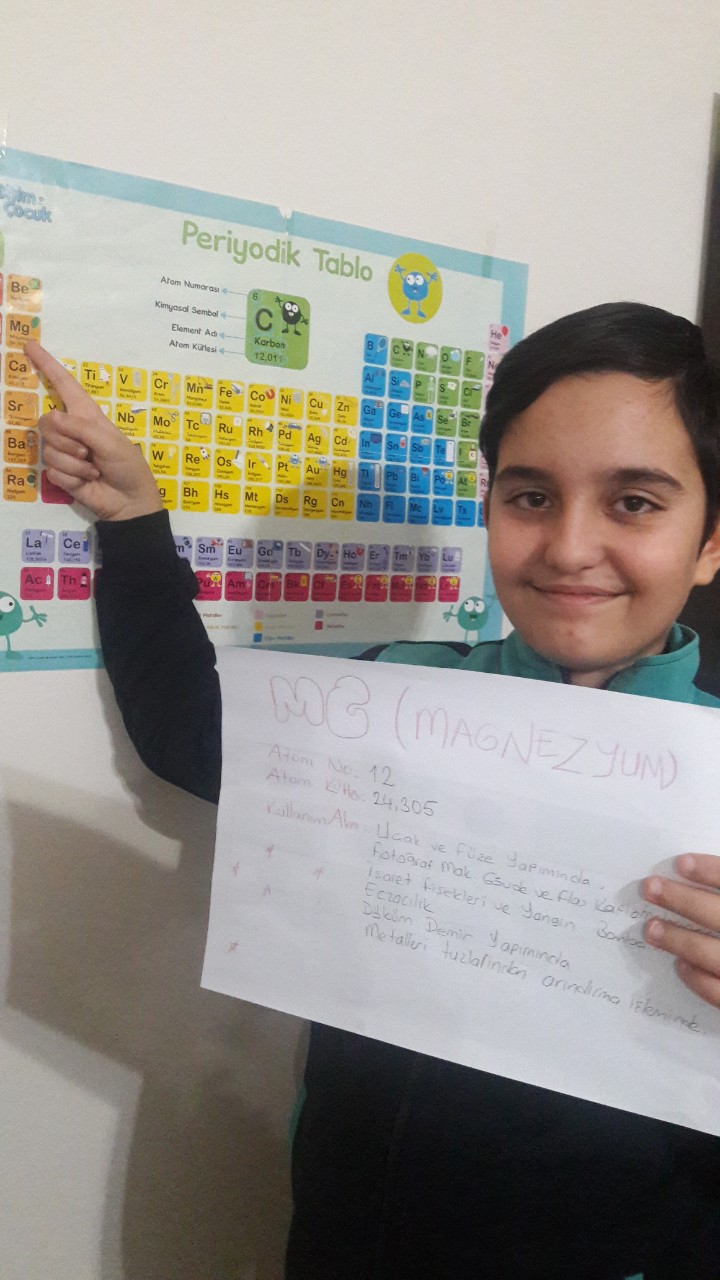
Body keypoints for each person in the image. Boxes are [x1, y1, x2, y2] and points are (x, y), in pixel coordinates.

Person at [26, 303, 720, 1279]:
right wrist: (136, 522)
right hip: (349, 1238)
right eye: (529, 496)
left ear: (711, 540)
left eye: (635, 502)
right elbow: (191, 728)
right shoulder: (389, 698)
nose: (569, 546)